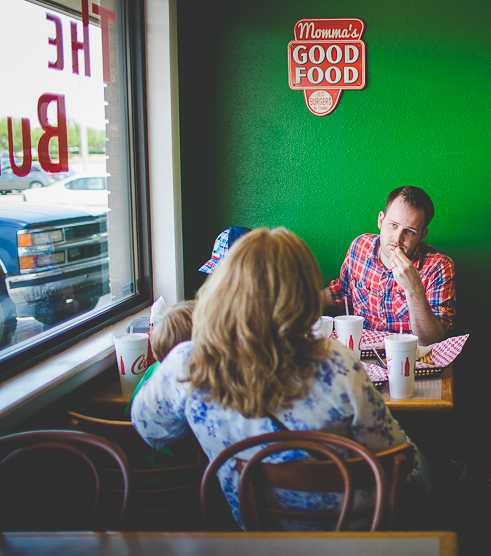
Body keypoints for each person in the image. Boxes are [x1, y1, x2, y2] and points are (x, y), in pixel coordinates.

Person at [131, 227, 428, 529]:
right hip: (351, 533)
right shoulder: (336, 364)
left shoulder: (185, 364)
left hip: (257, 534)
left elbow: (152, 432)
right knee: (421, 462)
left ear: (222, 286)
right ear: (302, 294)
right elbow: (392, 455)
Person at [321, 187, 454, 345]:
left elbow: (432, 340)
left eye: (410, 231)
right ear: (380, 220)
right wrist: (293, 302)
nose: (398, 238)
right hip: (361, 352)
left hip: (410, 357)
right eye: (393, 225)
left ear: (422, 235)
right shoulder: (359, 247)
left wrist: (414, 290)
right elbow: (341, 293)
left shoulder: (438, 267)